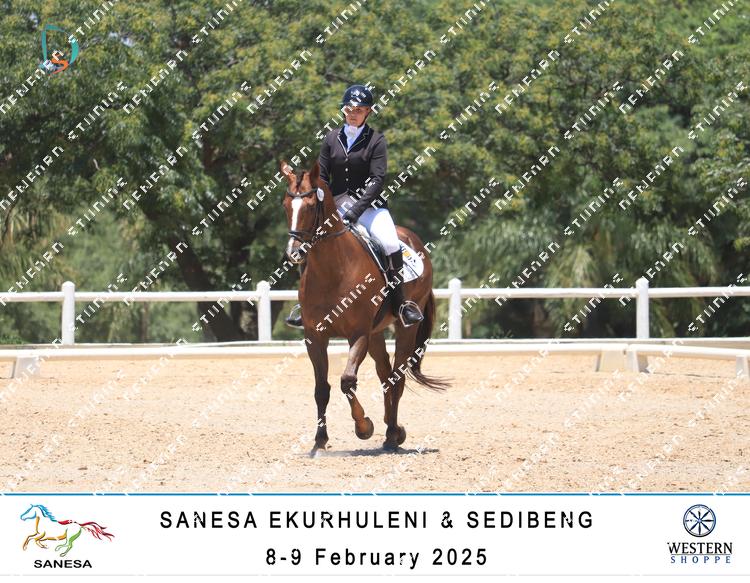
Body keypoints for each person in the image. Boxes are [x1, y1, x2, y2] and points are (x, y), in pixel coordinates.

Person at [285, 84, 424, 329]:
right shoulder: (331, 138)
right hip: (336, 205)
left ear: (368, 112)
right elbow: (322, 176)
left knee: (390, 242)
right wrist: (320, 200)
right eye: (349, 109)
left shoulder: (377, 141)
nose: (353, 113)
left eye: (359, 110)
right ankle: (304, 304)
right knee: (308, 239)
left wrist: (355, 211)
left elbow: (377, 180)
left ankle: (401, 303)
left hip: (370, 208)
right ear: (343, 110)